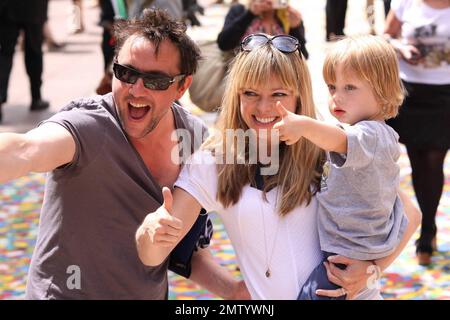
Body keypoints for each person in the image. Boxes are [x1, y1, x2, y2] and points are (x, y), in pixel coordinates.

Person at [136, 33, 422, 300]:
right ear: (236, 94)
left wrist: (373, 271)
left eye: (278, 94)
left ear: (298, 96)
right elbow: (153, 254)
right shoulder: (215, 161)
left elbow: (409, 213)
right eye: (250, 93)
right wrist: (150, 232)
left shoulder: (330, 144)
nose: (263, 108)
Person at [0, 9, 248, 299]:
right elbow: (25, 149)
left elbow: (186, 250)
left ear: (182, 86)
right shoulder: (87, 126)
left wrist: (232, 291)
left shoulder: (194, 140)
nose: (136, 89)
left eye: (155, 80)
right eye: (126, 73)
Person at [273, 35, 408, 299]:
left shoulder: (373, 135)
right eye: (332, 87)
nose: (337, 97)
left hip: (347, 258)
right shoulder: (367, 133)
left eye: (350, 88)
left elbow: (338, 139)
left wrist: (303, 126)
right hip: (350, 254)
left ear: (382, 91)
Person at [384, 0, 450, 266]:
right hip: (410, 93)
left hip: (446, 95)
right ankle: (426, 224)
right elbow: (386, 36)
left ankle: (428, 228)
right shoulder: (405, 2)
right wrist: (400, 47)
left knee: (434, 160)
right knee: (417, 161)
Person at [0, 0, 50, 123]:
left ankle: (0, 97)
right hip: (33, 6)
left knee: (5, 53)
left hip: (7, 7)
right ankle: (36, 96)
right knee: (34, 50)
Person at [217, 0, 308, 59]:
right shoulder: (240, 10)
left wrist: (295, 29)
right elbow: (223, 44)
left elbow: (303, 57)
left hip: (280, 78)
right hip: (245, 76)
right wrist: (249, 14)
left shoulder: (288, 16)